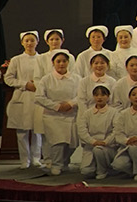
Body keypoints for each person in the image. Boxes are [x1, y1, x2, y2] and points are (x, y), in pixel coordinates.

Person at [34, 51, 81, 176]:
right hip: (52, 116)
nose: (61, 64)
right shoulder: (46, 79)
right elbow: (39, 97)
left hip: (71, 115)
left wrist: (70, 104)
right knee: (58, 141)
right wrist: (56, 106)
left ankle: (65, 162)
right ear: (53, 63)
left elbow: (81, 95)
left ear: (68, 62)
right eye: (58, 61)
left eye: (64, 61)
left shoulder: (77, 79)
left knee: (72, 143)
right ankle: (56, 164)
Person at [5, 31, 44, 169]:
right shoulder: (16, 60)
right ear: (22, 43)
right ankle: (24, 160)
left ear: (37, 42)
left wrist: (37, 84)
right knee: (22, 131)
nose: (29, 43)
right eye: (26, 40)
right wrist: (25, 84)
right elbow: (8, 78)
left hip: (37, 97)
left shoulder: (42, 59)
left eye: (32, 40)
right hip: (21, 96)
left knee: (37, 130)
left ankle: (36, 158)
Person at [77, 84, 118, 179]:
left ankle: (102, 170)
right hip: (91, 145)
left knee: (99, 150)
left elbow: (116, 130)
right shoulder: (87, 113)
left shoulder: (114, 112)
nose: (99, 97)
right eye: (96, 95)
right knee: (86, 171)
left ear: (108, 96)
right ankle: (96, 166)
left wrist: (106, 142)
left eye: (103, 95)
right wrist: (93, 141)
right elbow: (82, 130)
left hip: (108, 146)